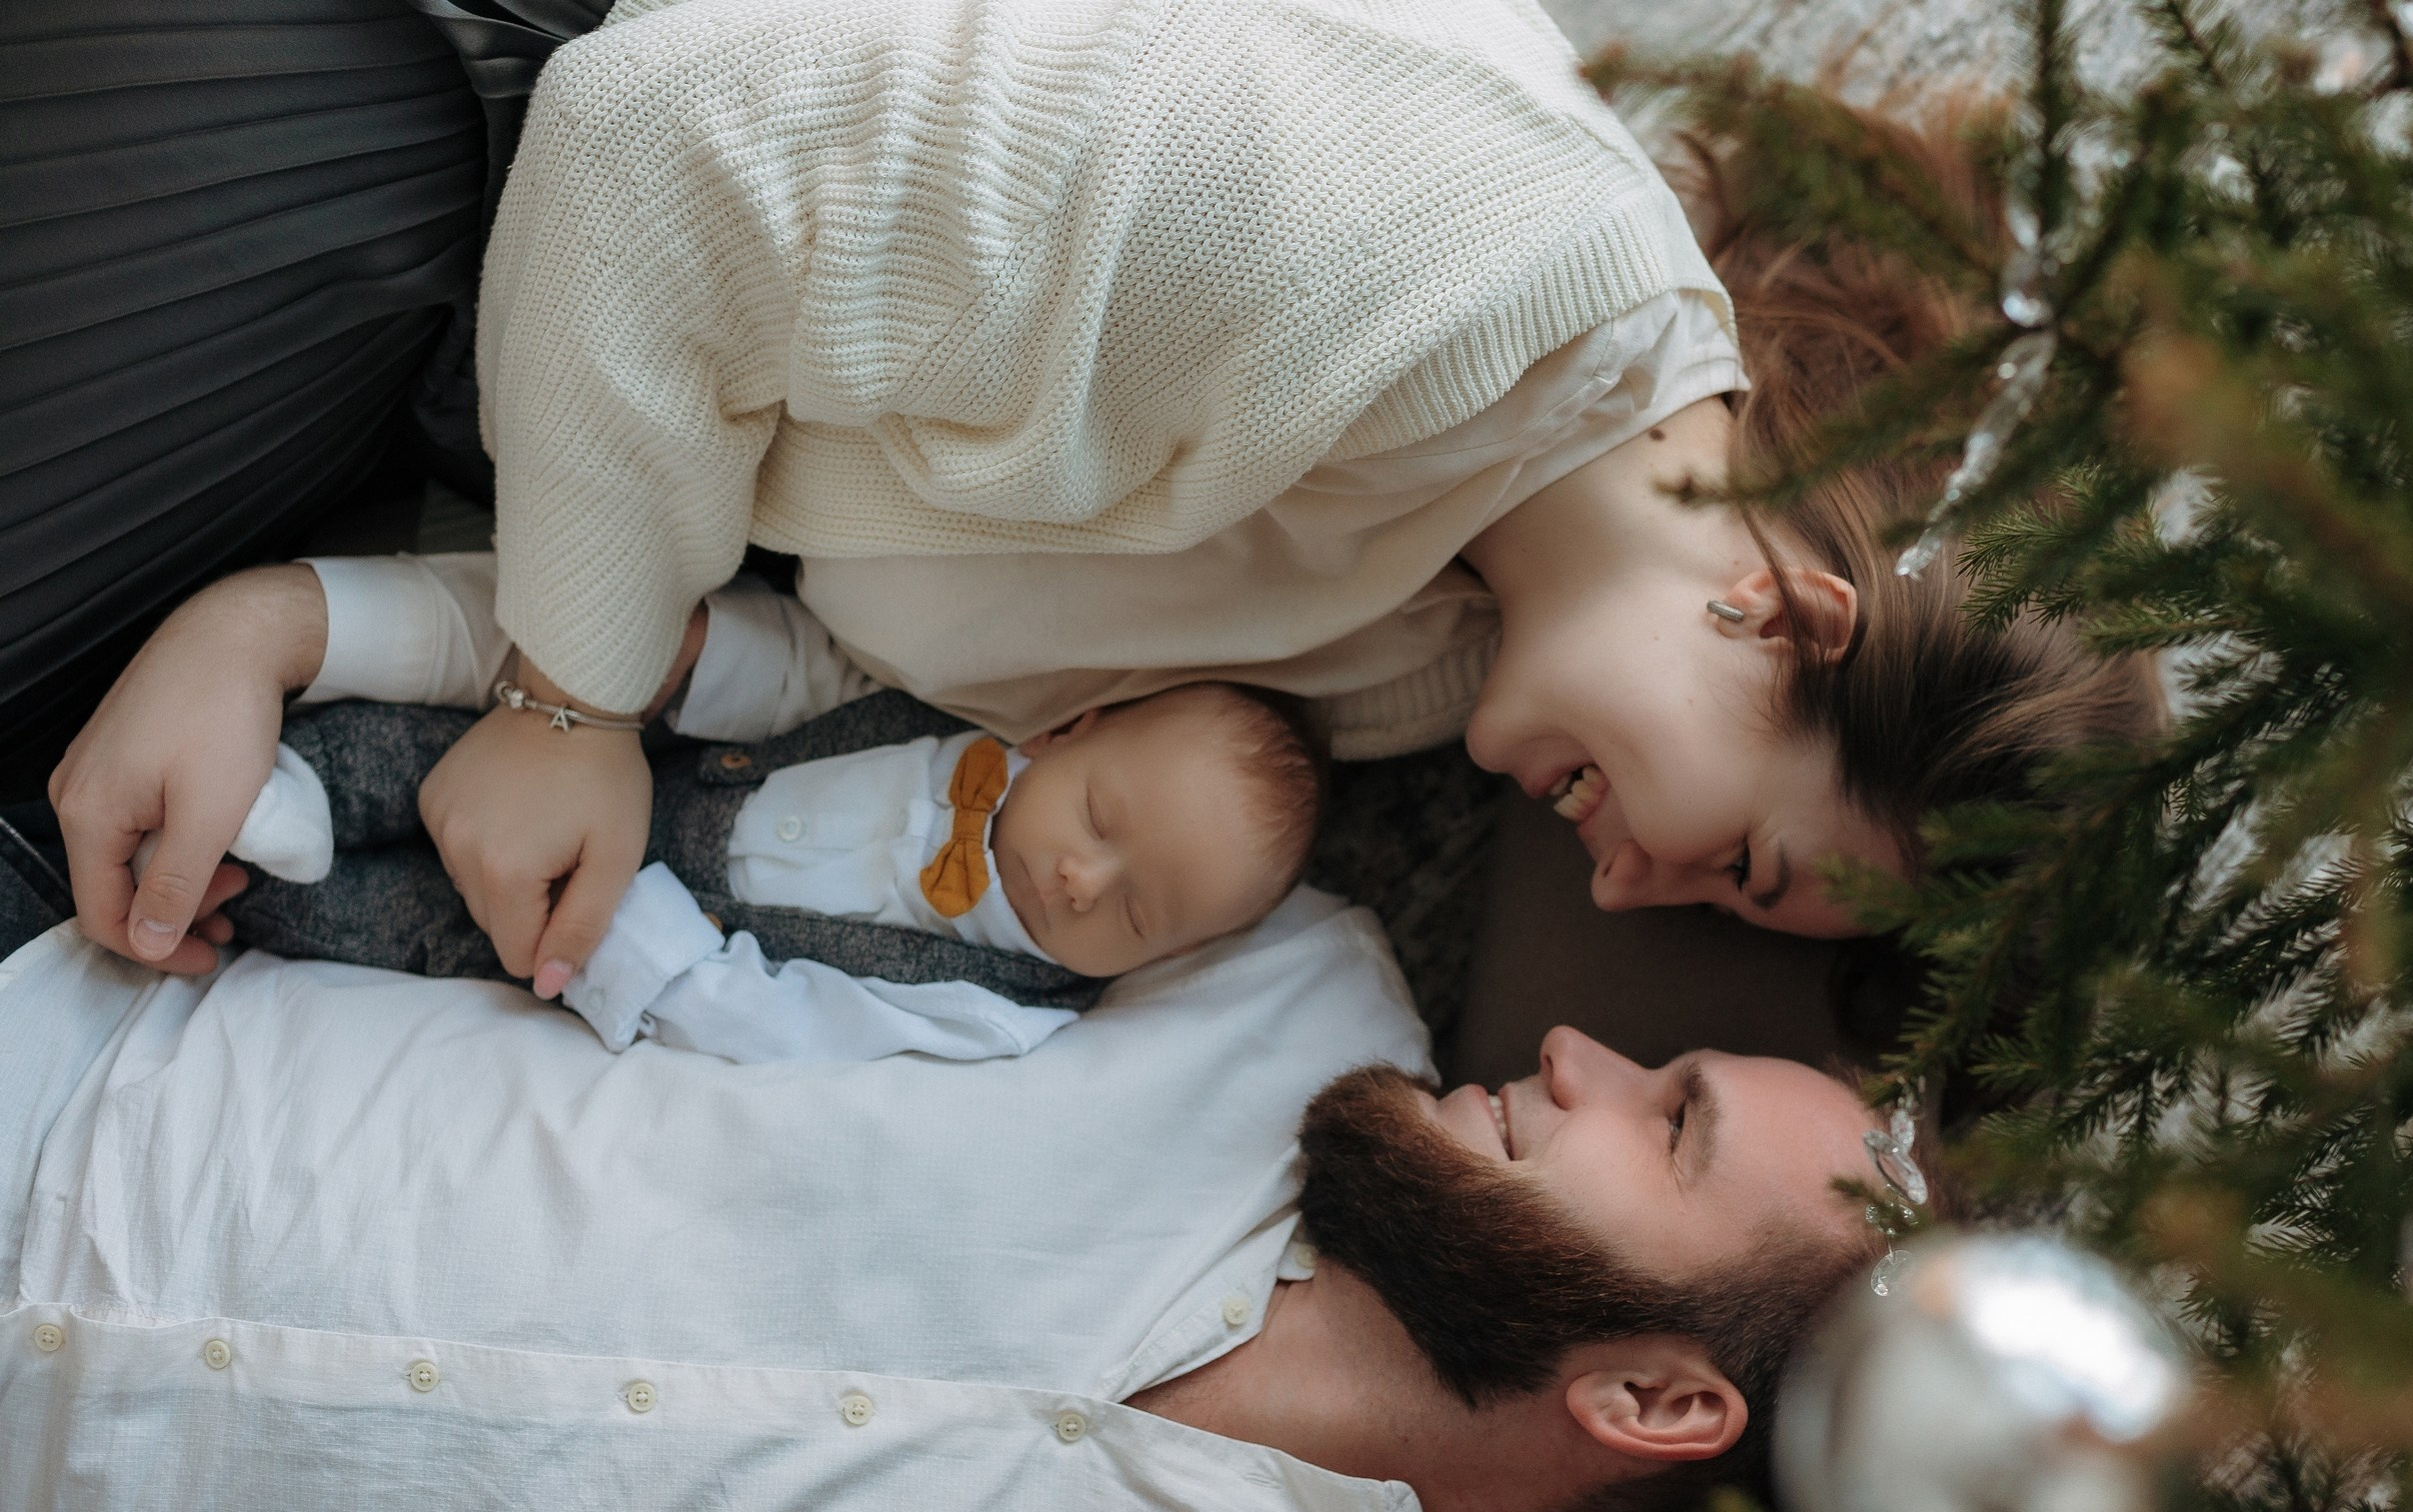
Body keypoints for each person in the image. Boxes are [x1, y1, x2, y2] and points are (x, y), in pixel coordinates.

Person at [47, 0, 2163, 998]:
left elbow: (799, 648)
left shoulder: (1418, 654)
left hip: (428, 435)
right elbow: (647, 140)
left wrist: (282, 627)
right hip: (449, 117)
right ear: (1788, 616)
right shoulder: (1434, 247)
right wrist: (563, 700)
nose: (1623, 896)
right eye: (1744, 871)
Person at [0, 879, 1911, 1512]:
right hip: (81, 1037)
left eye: (1663, 1124)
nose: (1576, 1055)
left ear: (1658, 1401)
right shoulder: (1271, 974)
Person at [181, 553, 1325, 1062]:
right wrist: (682, 659)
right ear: (1066, 731)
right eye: (1099, 818)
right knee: (432, 746)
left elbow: (790, 1026)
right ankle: (289, 784)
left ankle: (254, 896)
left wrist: (642, 947)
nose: (1081, 878)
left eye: (1135, 915)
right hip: (641, 770)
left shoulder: (995, 1010)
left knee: (424, 932)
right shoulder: (942, 711)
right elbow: (796, 676)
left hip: (616, 932)